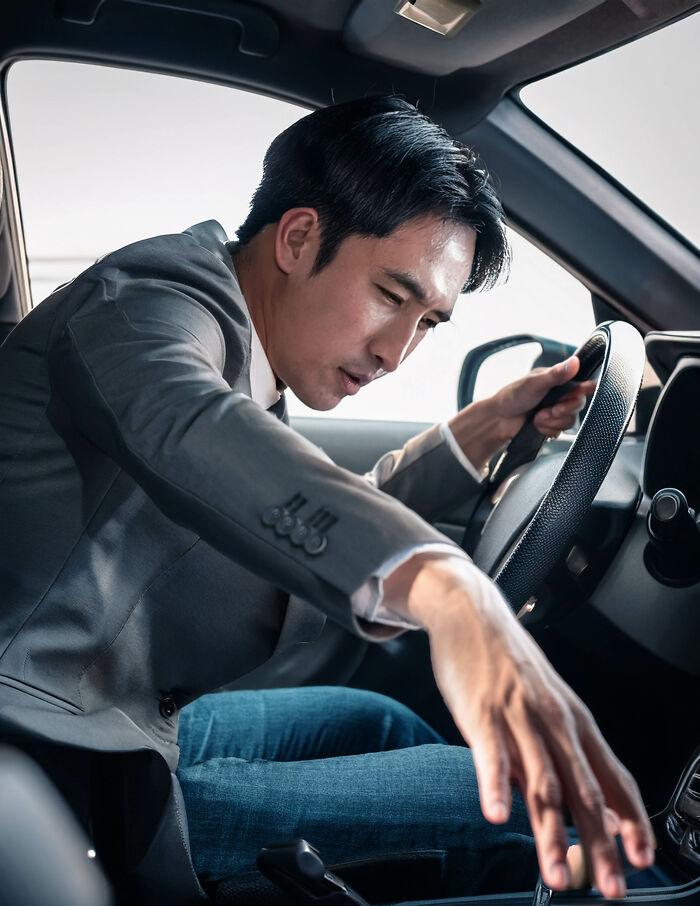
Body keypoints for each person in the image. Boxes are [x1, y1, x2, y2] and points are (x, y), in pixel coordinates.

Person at [0, 96, 654, 903]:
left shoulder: (248, 341)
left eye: (428, 323)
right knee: (525, 806)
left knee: (377, 723)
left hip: (125, 713)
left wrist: (482, 429)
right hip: (55, 755)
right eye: (389, 295)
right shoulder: (143, 308)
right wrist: (453, 596)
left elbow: (278, 505)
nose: (394, 352)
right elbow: (194, 433)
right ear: (300, 237)